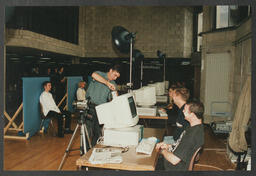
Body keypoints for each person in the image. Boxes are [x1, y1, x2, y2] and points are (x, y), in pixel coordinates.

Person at [156, 100, 205, 171]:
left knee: (147, 163)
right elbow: (182, 146)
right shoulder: (195, 127)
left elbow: (174, 160)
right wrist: (168, 146)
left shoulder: (191, 135)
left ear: (192, 115)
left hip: (172, 169)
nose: (183, 111)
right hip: (175, 162)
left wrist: (162, 150)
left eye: (185, 110)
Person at [86, 64, 121, 146]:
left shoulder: (113, 84)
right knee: (87, 132)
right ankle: (84, 152)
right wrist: (107, 83)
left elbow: (113, 99)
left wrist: (115, 93)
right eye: (115, 75)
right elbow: (93, 75)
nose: (115, 78)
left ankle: (92, 151)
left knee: (97, 133)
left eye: (117, 77)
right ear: (110, 70)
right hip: (90, 107)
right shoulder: (100, 74)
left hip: (101, 109)